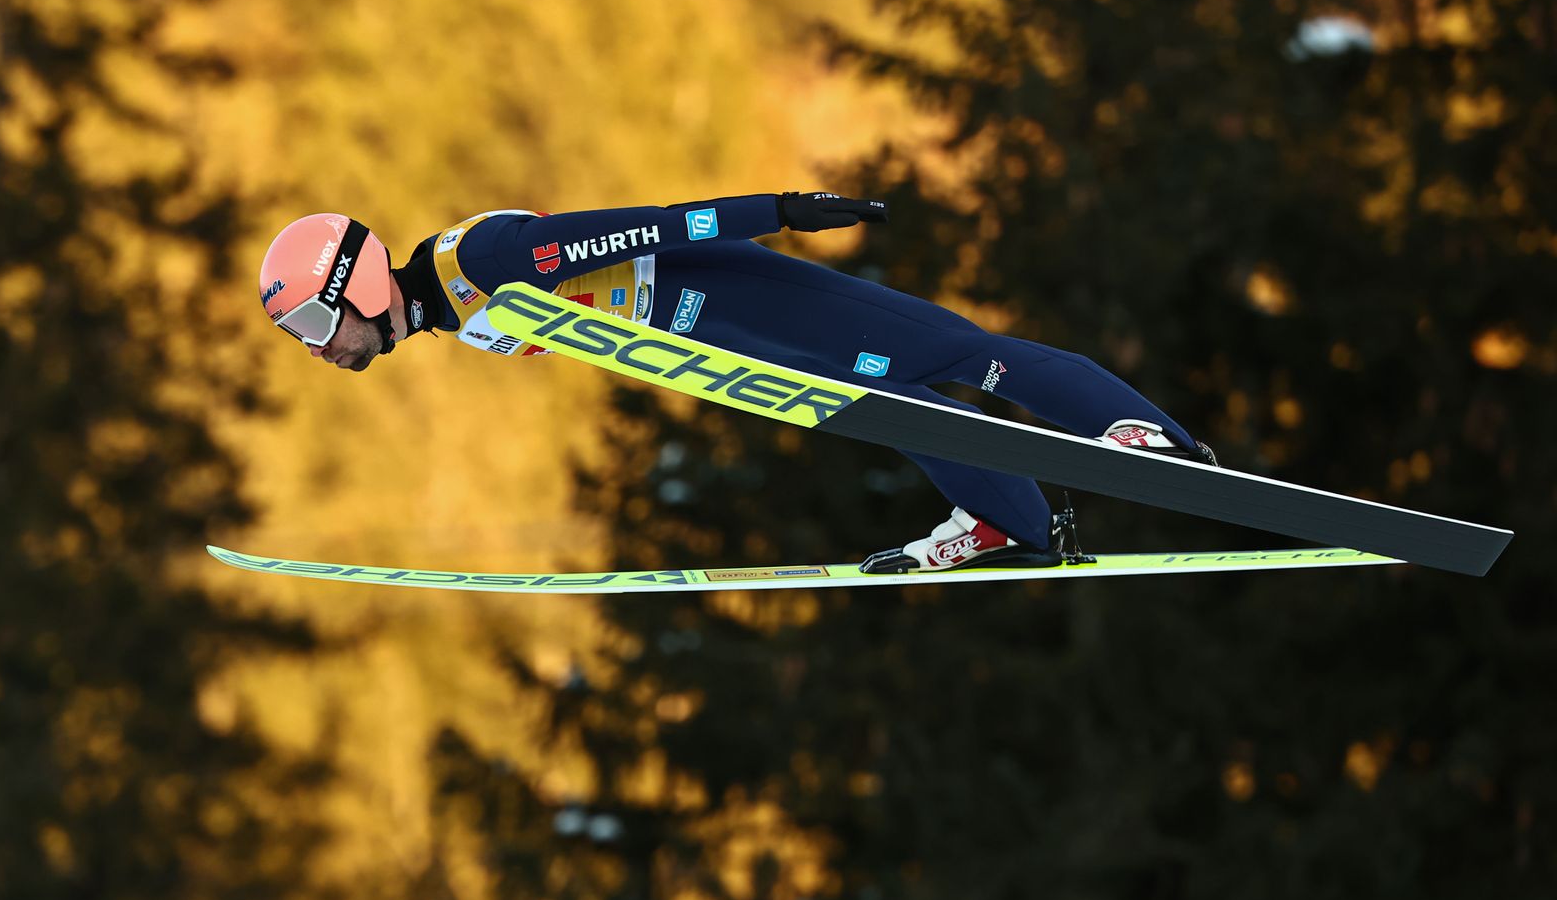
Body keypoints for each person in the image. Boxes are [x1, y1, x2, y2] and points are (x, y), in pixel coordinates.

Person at [256, 193, 1214, 572]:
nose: (315, 348)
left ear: (361, 285)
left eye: (310, 321)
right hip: (727, 344)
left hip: (746, 297)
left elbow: (649, 227)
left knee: (961, 356)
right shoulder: (455, 309)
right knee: (893, 412)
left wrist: (784, 211)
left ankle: (1139, 433)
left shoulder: (487, 258)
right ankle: (1013, 519)